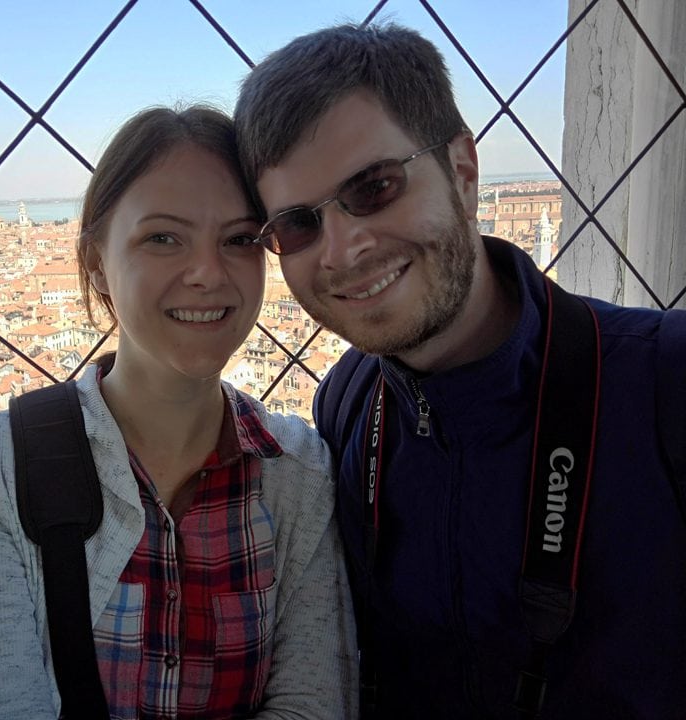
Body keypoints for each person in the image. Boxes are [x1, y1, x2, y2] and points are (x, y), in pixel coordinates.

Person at [234, 22, 686, 720]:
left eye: (375, 186)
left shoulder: (662, 383)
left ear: (463, 171)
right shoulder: (347, 405)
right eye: (297, 225)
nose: (343, 249)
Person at [0, 105, 358, 720]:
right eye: (162, 237)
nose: (208, 273)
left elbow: (313, 703)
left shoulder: (300, 473)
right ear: (98, 264)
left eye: (239, 239)